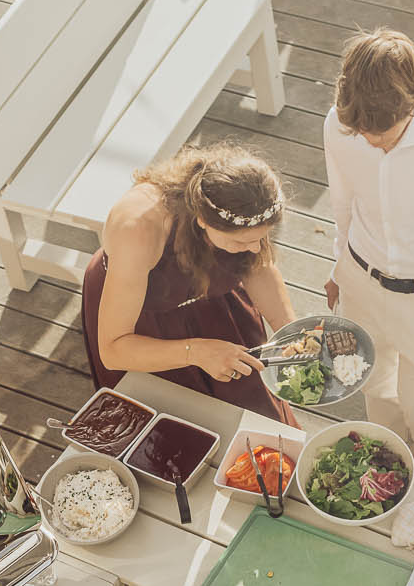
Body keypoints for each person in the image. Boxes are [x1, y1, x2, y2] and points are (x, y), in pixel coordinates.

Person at [323, 30, 414, 480]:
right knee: (374, 386)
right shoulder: (339, 125)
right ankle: (384, 465)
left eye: (384, 133)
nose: (373, 141)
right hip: (361, 276)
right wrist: (339, 267)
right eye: (363, 133)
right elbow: (343, 202)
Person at [82, 142, 299, 425]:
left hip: (215, 304)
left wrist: (290, 330)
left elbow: (257, 268)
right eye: (241, 241)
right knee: (173, 426)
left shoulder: (246, 202)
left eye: (262, 238)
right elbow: (113, 350)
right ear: (202, 221)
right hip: (144, 321)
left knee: (259, 414)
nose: (257, 248)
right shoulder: (138, 227)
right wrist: (197, 351)